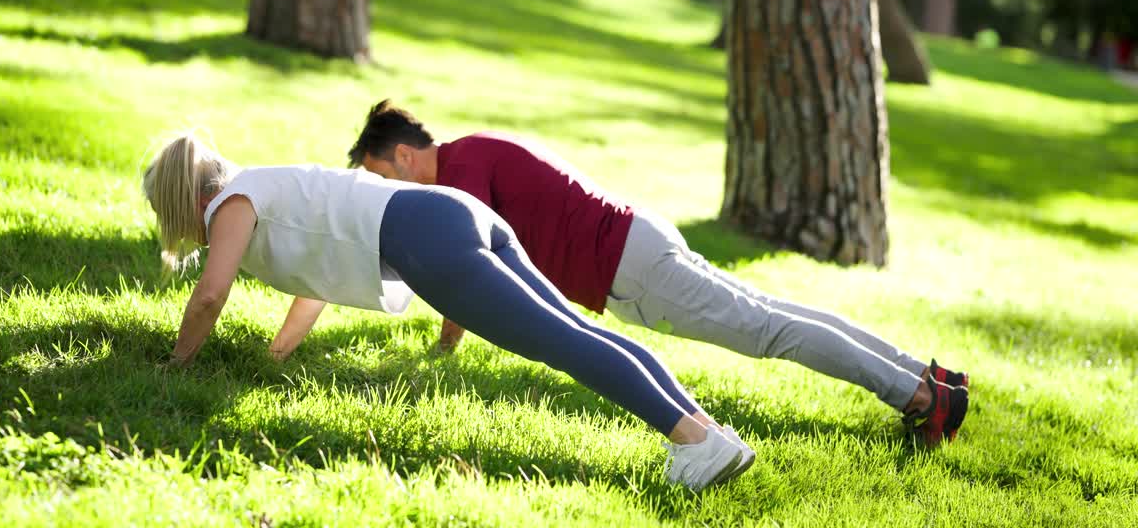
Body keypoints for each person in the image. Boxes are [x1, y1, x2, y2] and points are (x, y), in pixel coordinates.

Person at [142, 134, 754, 491]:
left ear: (184, 201)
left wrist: (177, 364)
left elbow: (209, 296)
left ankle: (692, 439)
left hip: (426, 238)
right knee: (572, 330)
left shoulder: (232, 203)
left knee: (557, 342)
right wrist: (276, 355)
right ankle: (707, 434)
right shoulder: (269, 188)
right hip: (455, 212)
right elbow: (316, 284)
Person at [347, 100, 970, 447]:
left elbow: (469, 275)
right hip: (637, 241)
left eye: (381, 175)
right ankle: (924, 374)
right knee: (775, 314)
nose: (386, 189)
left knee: (769, 331)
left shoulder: (458, 175)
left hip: (631, 267)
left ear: (402, 155)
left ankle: (921, 398)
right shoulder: (473, 152)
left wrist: (444, 345)